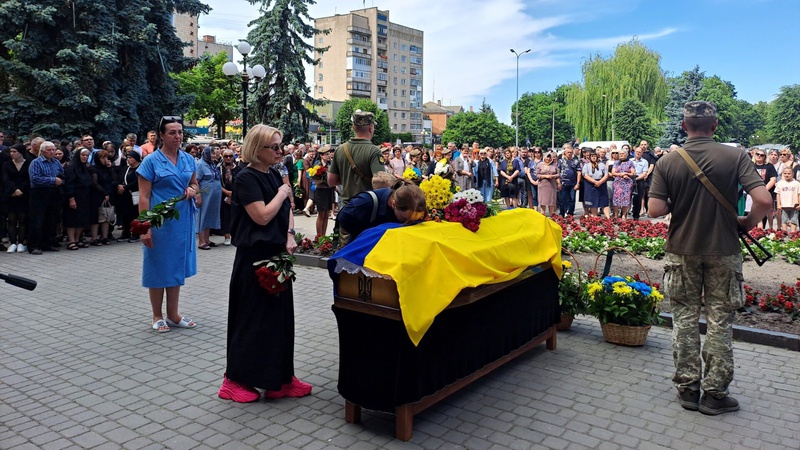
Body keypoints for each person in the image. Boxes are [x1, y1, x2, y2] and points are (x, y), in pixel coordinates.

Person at [648, 101, 770, 415]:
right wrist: (747, 223)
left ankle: (688, 389)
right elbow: (763, 200)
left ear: (684, 126)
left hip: (681, 250)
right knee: (719, 323)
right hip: (724, 250)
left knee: (684, 321)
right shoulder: (735, 156)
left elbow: (655, 210)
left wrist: (680, 201)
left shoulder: (668, 161)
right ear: (714, 125)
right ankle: (715, 395)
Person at [218, 123, 311, 403]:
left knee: (279, 320)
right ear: (257, 149)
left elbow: (288, 209)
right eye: (275, 147)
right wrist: (283, 192)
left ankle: (279, 379)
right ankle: (235, 380)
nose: (280, 151)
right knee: (252, 321)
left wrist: (290, 234)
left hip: (277, 255)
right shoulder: (246, 178)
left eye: (281, 146)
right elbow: (262, 216)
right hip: (254, 259)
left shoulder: (272, 173)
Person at [137, 116, 199, 333]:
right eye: (172, 132)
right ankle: (157, 315)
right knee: (158, 266)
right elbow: (143, 197)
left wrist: (192, 190)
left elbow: (195, 184)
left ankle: (173, 314)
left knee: (176, 266)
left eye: (180, 132)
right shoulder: (151, 161)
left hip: (183, 222)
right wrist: (144, 227)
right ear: (161, 135)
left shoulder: (188, 159)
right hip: (159, 222)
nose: (177, 136)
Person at [328, 110, 386, 247]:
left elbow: (331, 181)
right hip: (368, 210)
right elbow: (381, 183)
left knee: (346, 250)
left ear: (353, 127)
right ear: (371, 128)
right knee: (366, 250)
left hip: (347, 209)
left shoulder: (341, 149)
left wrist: (348, 178)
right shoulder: (374, 151)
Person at [337, 179, 427, 243]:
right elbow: (343, 218)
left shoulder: (415, 204)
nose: (410, 224)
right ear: (393, 204)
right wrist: (369, 235)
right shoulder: (364, 203)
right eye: (405, 219)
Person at [27, 141, 64, 254]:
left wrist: (61, 180)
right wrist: (53, 180)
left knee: (51, 219)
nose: (52, 152)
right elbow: (35, 178)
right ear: (42, 151)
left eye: (53, 150)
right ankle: (34, 246)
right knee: (37, 220)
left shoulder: (56, 162)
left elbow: (62, 175)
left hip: (53, 192)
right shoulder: (36, 162)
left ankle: (48, 243)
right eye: (49, 150)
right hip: (39, 193)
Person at [63, 148, 96, 250]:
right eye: (83, 155)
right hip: (75, 196)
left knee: (82, 219)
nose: (85, 157)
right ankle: (71, 241)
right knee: (72, 219)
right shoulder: (71, 167)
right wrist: (71, 198)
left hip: (85, 197)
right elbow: (69, 184)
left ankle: (77, 239)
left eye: (87, 155)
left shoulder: (85, 167)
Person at [2, 144, 30, 253]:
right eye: (11, 152)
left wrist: (21, 190)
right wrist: (14, 190)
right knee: (11, 219)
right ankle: (13, 242)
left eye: (14, 151)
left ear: (21, 152)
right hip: (11, 195)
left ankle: (21, 243)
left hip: (24, 195)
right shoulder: (7, 164)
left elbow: (28, 178)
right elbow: (5, 179)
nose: (12, 154)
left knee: (23, 219)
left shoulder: (28, 163)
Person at [195, 146, 223, 250]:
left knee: (210, 216)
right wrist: (198, 195)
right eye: (212, 153)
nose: (215, 155)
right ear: (206, 154)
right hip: (205, 196)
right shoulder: (200, 164)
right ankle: (201, 242)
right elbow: (195, 181)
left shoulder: (212, 164)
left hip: (213, 197)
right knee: (203, 216)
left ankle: (207, 240)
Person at [116, 151, 142, 242]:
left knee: (135, 215)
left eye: (131, 158)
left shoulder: (140, 168)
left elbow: (137, 182)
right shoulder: (126, 169)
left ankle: (136, 233)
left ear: (136, 159)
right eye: (127, 158)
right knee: (125, 214)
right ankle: (126, 232)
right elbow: (119, 178)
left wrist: (125, 187)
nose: (128, 159)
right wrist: (119, 186)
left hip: (135, 194)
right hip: (125, 196)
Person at [311, 146, 335, 237]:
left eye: (329, 154)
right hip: (321, 190)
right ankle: (319, 236)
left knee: (326, 214)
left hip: (329, 190)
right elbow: (313, 178)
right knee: (321, 214)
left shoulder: (330, 164)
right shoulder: (317, 165)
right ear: (321, 155)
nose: (328, 156)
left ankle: (323, 237)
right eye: (326, 154)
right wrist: (321, 179)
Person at [220, 148, 240, 246]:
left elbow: (241, 183)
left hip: (236, 195)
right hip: (223, 195)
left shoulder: (238, 168)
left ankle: (236, 236)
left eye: (230, 156)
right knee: (226, 216)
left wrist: (233, 195)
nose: (228, 158)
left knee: (236, 216)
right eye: (226, 156)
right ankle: (227, 237)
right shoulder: (219, 168)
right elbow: (216, 183)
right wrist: (227, 193)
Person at [753, 149, 778, 229]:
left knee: (769, 210)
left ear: (765, 157)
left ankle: (770, 228)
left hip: (767, 191)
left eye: (762, 155)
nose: (759, 156)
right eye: (757, 154)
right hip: (754, 191)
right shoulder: (751, 165)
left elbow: (773, 179)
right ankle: (758, 229)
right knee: (756, 209)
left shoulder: (769, 166)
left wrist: (764, 190)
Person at [581, 151, 609, 217]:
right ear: (590, 157)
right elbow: (585, 175)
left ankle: (608, 218)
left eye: (595, 156)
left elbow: (606, 174)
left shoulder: (602, 165)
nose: (594, 158)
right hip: (590, 184)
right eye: (592, 156)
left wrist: (600, 182)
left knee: (604, 202)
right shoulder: (586, 165)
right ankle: (595, 218)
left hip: (601, 183)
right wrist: (595, 182)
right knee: (593, 202)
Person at [611, 147, 636, 219]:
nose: (621, 155)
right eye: (620, 154)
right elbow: (613, 172)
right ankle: (616, 215)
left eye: (622, 154)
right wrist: (620, 174)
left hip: (627, 183)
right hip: (618, 183)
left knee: (626, 199)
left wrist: (626, 173)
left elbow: (633, 173)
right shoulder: (616, 162)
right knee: (616, 199)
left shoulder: (630, 163)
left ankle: (623, 215)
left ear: (626, 154)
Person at [557, 144, 580, 217]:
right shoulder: (560, 161)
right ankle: (562, 214)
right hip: (563, 183)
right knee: (562, 200)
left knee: (572, 200)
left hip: (573, 183)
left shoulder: (576, 161)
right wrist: (558, 183)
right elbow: (557, 172)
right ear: (565, 153)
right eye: (568, 152)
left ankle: (570, 214)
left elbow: (579, 173)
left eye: (571, 152)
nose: (569, 154)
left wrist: (578, 183)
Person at [775, 167, 800, 232]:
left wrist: (799, 204)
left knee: (794, 220)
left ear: (793, 174)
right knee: (784, 220)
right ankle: (784, 233)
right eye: (785, 173)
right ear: (783, 174)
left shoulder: (797, 183)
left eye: (789, 173)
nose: (787, 175)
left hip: (794, 205)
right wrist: (778, 204)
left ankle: (793, 233)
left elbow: (799, 194)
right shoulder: (780, 183)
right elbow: (778, 194)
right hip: (784, 205)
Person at [535, 151, 559, 217]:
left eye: (549, 157)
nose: (548, 159)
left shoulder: (554, 165)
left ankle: (552, 216)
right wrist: (545, 176)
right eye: (547, 157)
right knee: (543, 201)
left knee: (551, 202)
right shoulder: (540, 165)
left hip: (552, 186)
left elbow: (558, 174)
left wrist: (553, 176)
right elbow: (537, 175)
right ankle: (543, 215)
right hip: (542, 185)